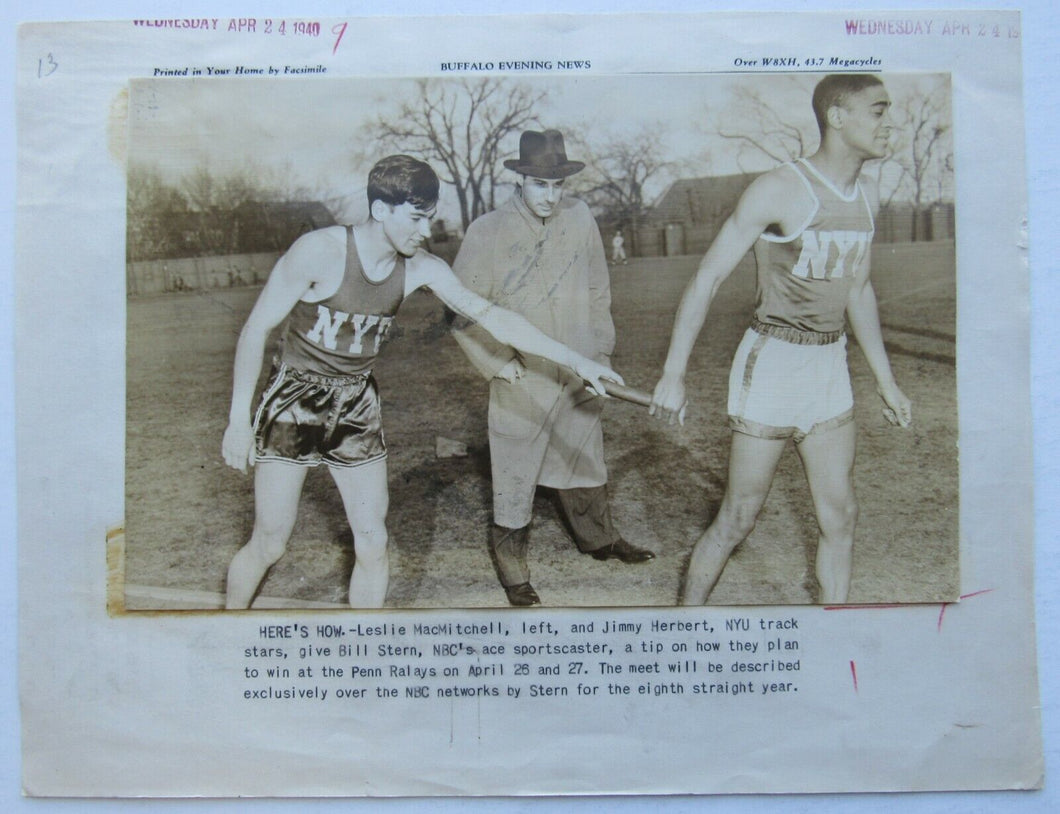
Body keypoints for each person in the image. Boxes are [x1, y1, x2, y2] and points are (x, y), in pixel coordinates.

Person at [222, 154, 621, 609]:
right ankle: (229, 626)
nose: (426, 231)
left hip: (356, 405)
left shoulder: (421, 267)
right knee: (270, 543)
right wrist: (239, 421)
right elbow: (255, 330)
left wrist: (577, 361)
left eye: (430, 218)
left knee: (373, 545)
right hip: (294, 401)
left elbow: (494, 318)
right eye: (416, 218)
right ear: (380, 211)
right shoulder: (318, 251)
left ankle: (363, 662)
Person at [650, 75, 912, 605]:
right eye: (879, 111)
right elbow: (707, 279)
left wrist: (886, 382)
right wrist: (674, 373)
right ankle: (681, 630)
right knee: (739, 516)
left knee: (841, 515)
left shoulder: (868, 194)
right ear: (838, 118)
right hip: (772, 363)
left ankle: (832, 637)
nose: (890, 123)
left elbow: (858, 290)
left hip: (829, 366)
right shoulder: (779, 188)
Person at [452, 129, 655, 608]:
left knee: (583, 454)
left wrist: (599, 348)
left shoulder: (580, 218)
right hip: (524, 373)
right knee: (516, 468)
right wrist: (495, 362)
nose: (550, 195)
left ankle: (599, 538)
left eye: (557, 185)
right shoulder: (487, 231)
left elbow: (598, 288)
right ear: (519, 178)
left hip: (580, 366)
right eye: (539, 184)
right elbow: (459, 308)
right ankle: (513, 571)